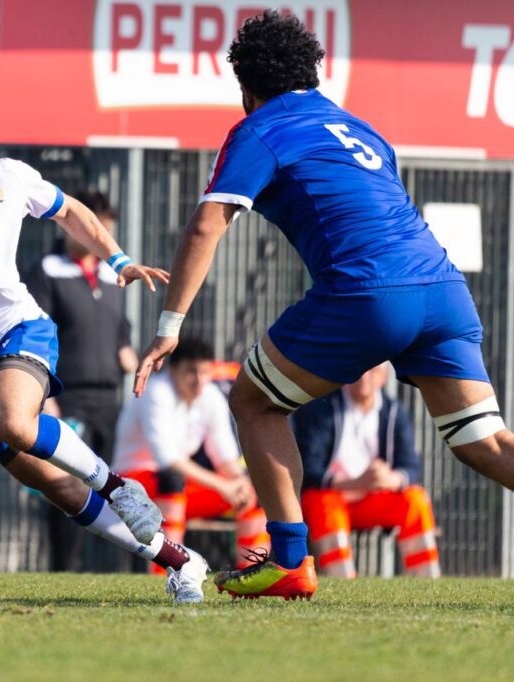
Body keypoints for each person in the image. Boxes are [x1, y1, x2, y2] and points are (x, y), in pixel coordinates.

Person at [134, 10, 514, 600]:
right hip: (444, 291)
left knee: (254, 401)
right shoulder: (362, 129)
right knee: (484, 442)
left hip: (367, 293)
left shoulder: (259, 128)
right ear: (312, 72)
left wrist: (169, 327)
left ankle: (288, 561)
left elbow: (207, 226)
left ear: (245, 89)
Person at [0, 76, 208, 601]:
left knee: (13, 418)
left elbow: (71, 209)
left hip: (17, 326)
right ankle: (179, 561)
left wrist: (116, 259)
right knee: (54, 483)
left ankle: (120, 487)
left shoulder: (6, 175)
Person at [25, 191, 138, 571]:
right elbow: (35, 332)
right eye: (93, 227)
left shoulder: (111, 275)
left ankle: (121, 570)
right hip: (67, 397)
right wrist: (43, 395)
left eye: (105, 230)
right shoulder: (47, 270)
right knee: (68, 483)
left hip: (110, 398)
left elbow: (121, 331)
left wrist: (130, 355)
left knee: (117, 487)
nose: (97, 237)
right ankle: (62, 568)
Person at [113, 338, 269, 571]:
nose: (199, 380)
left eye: (205, 372)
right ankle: (167, 572)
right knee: (171, 479)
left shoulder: (211, 396)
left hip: (178, 492)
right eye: (191, 371)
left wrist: (239, 482)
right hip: (132, 488)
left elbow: (224, 457)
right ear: (173, 369)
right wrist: (222, 486)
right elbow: (168, 459)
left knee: (249, 490)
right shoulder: (156, 392)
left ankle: (252, 572)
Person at [294, 365, 440, 578]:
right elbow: (308, 469)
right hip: (332, 498)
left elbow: (410, 466)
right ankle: (341, 582)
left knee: (415, 499)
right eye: (359, 369)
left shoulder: (393, 411)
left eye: (372, 371)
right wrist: (354, 483)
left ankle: (427, 581)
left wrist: (391, 478)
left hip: (374, 499)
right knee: (321, 502)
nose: (363, 378)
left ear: (384, 376)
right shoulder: (321, 407)